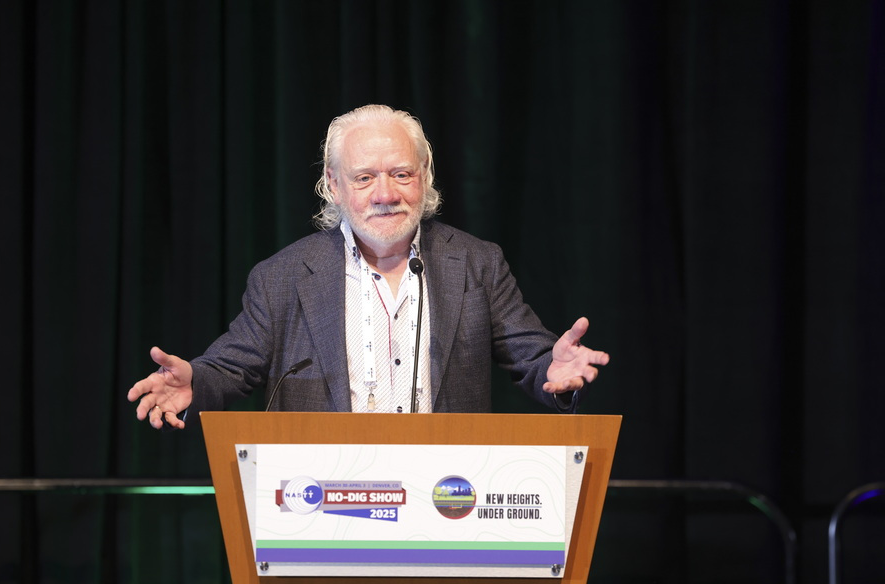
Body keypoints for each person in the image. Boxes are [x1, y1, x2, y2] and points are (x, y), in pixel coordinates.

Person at [128, 104, 609, 429]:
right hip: (325, 502)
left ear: (424, 177)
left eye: (401, 174)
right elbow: (230, 368)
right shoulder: (282, 277)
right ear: (333, 185)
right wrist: (196, 382)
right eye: (364, 178)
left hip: (447, 498)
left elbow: (534, 360)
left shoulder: (477, 263)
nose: (385, 194)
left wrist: (554, 369)